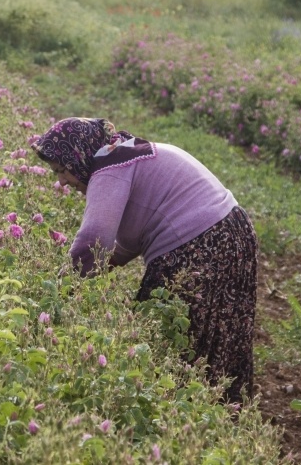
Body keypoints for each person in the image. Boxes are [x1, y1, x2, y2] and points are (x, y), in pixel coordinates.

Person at [31, 117, 257, 404]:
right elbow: (126, 243)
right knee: (220, 329)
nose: (62, 181)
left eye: (62, 170)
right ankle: (223, 411)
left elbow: (95, 237)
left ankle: (182, 410)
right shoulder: (124, 155)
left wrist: (61, 287)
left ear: (78, 155)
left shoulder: (108, 167)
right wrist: (98, 272)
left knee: (162, 333)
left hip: (201, 243)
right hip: (232, 232)